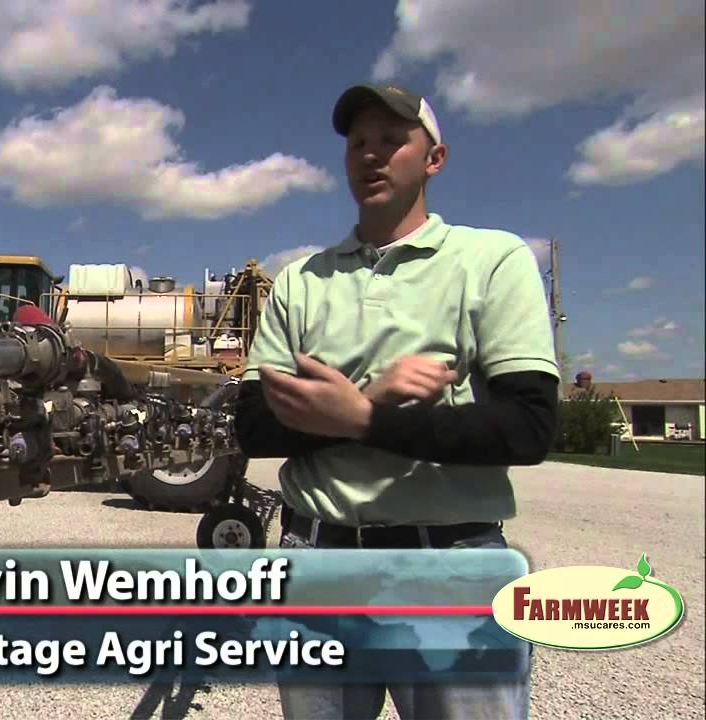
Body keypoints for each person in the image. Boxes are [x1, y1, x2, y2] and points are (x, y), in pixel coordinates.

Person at [235, 83, 560, 719]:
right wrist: (371, 403)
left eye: (391, 140)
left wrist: (358, 419)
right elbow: (253, 425)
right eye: (358, 143)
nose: (370, 155)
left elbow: (527, 426)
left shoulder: (490, 260)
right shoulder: (302, 281)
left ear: (434, 158)